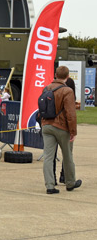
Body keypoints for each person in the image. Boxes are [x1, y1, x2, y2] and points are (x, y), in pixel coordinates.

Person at [41, 66, 81, 194]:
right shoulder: (67, 91)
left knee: (48, 156)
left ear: (55, 75)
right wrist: (73, 131)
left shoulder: (46, 88)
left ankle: (50, 185)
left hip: (46, 125)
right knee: (67, 155)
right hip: (62, 127)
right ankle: (70, 183)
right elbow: (71, 113)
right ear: (67, 76)